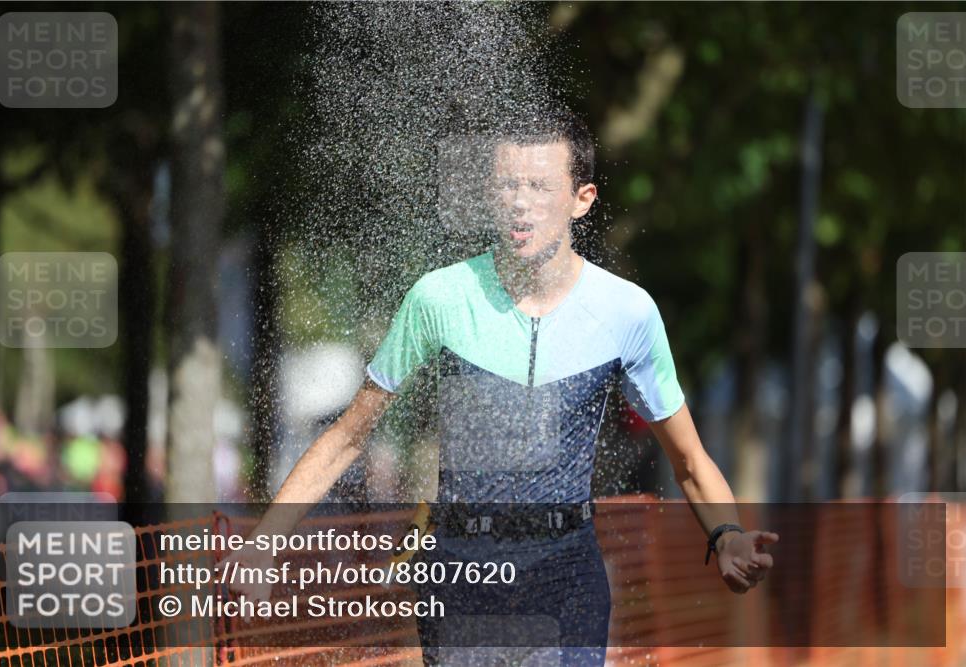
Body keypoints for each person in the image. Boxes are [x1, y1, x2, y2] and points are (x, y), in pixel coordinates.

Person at [224, 109, 778, 665]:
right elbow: (347, 436)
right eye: (508, 185)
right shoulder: (438, 299)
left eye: (539, 187)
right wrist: (264, 543)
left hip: (568, 572)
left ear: (581, 199)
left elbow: (689, 460)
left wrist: (727, 535)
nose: (520, 202)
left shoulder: (627, 312)